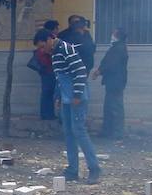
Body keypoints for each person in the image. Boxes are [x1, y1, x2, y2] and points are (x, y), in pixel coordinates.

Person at [33, 27, 101, 184]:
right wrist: (58, 96)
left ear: (50, 39)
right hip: (66, 98)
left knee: (79, 131)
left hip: (77, 97)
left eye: (43, 46)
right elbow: (59, 77)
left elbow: (80, 71)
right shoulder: (54, 53)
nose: (42, 50)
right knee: (69, 132)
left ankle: (94, 169)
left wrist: (77, 94)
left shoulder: (66, 49)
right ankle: (72, 170)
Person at [93, 27, 129, 139]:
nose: (111, 35)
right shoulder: (117, 47)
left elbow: (111, 64)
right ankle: (108, 131)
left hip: (115, 82)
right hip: (114, 81)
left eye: (113, 33)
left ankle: (117, 132)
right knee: (109, 107)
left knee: (115, 107)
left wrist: (99, 71)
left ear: (117, 35)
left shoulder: (118, 48)